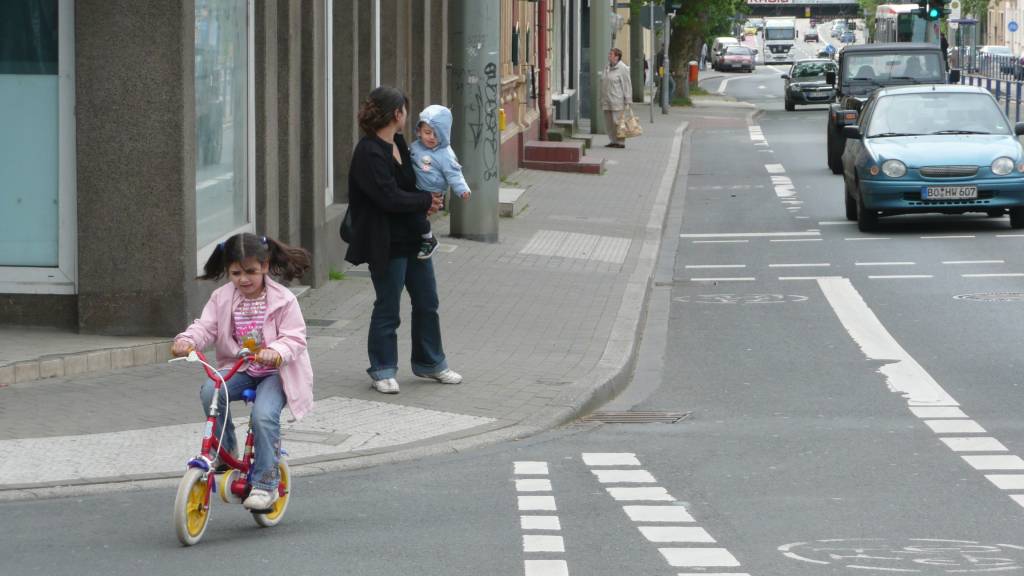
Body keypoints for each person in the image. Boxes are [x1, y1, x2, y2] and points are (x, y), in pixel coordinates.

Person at [171, 232, 314, 511]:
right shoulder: (222, 297)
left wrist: (277, 351)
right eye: (236, 273)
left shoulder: (283, 299)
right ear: (227, 271)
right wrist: (187, 340)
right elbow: (206, 326)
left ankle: (265, 484)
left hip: (277, 372)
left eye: (251, 271)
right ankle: (225, 457)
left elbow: (295, 338)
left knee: (263, 416)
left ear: (265, 265)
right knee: (211, 390)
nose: (243, 279)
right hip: (242, 367)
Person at [344, 86, 460, 395]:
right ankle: (382, 369)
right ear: (397, 114)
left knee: (427, 301)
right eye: (405, 111)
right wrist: (424, 201)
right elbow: (388, 197)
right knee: (388, 306)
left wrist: (433, 196)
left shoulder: (399, 143)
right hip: (385, 242)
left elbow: (412, 185)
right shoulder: (368, 151)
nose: (407, 117)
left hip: (413, 238)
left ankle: (430, 363)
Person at [407, 104, 471, 260]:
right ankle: (421, 238)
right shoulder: (415, 147)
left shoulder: (445, 154)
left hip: (432, 191)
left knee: (418, 217)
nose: (431, 137)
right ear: (419, 131)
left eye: (437, 134)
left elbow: (454, 173)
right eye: (427, 132)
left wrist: (462, 189)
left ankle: (429, 239)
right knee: (413, 217)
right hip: (415, 189)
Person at [602, 47, 633, 149]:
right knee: (609, 123)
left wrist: (628, 100)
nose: (608, 56)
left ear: (617, 57)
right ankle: (613, 141)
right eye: (609, 54)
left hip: (617, 100)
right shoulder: (607, 67)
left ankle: (620, 142)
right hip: (607, 100)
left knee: (617, 122)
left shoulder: (623, 68)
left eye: (611, 54)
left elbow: (627, 84)